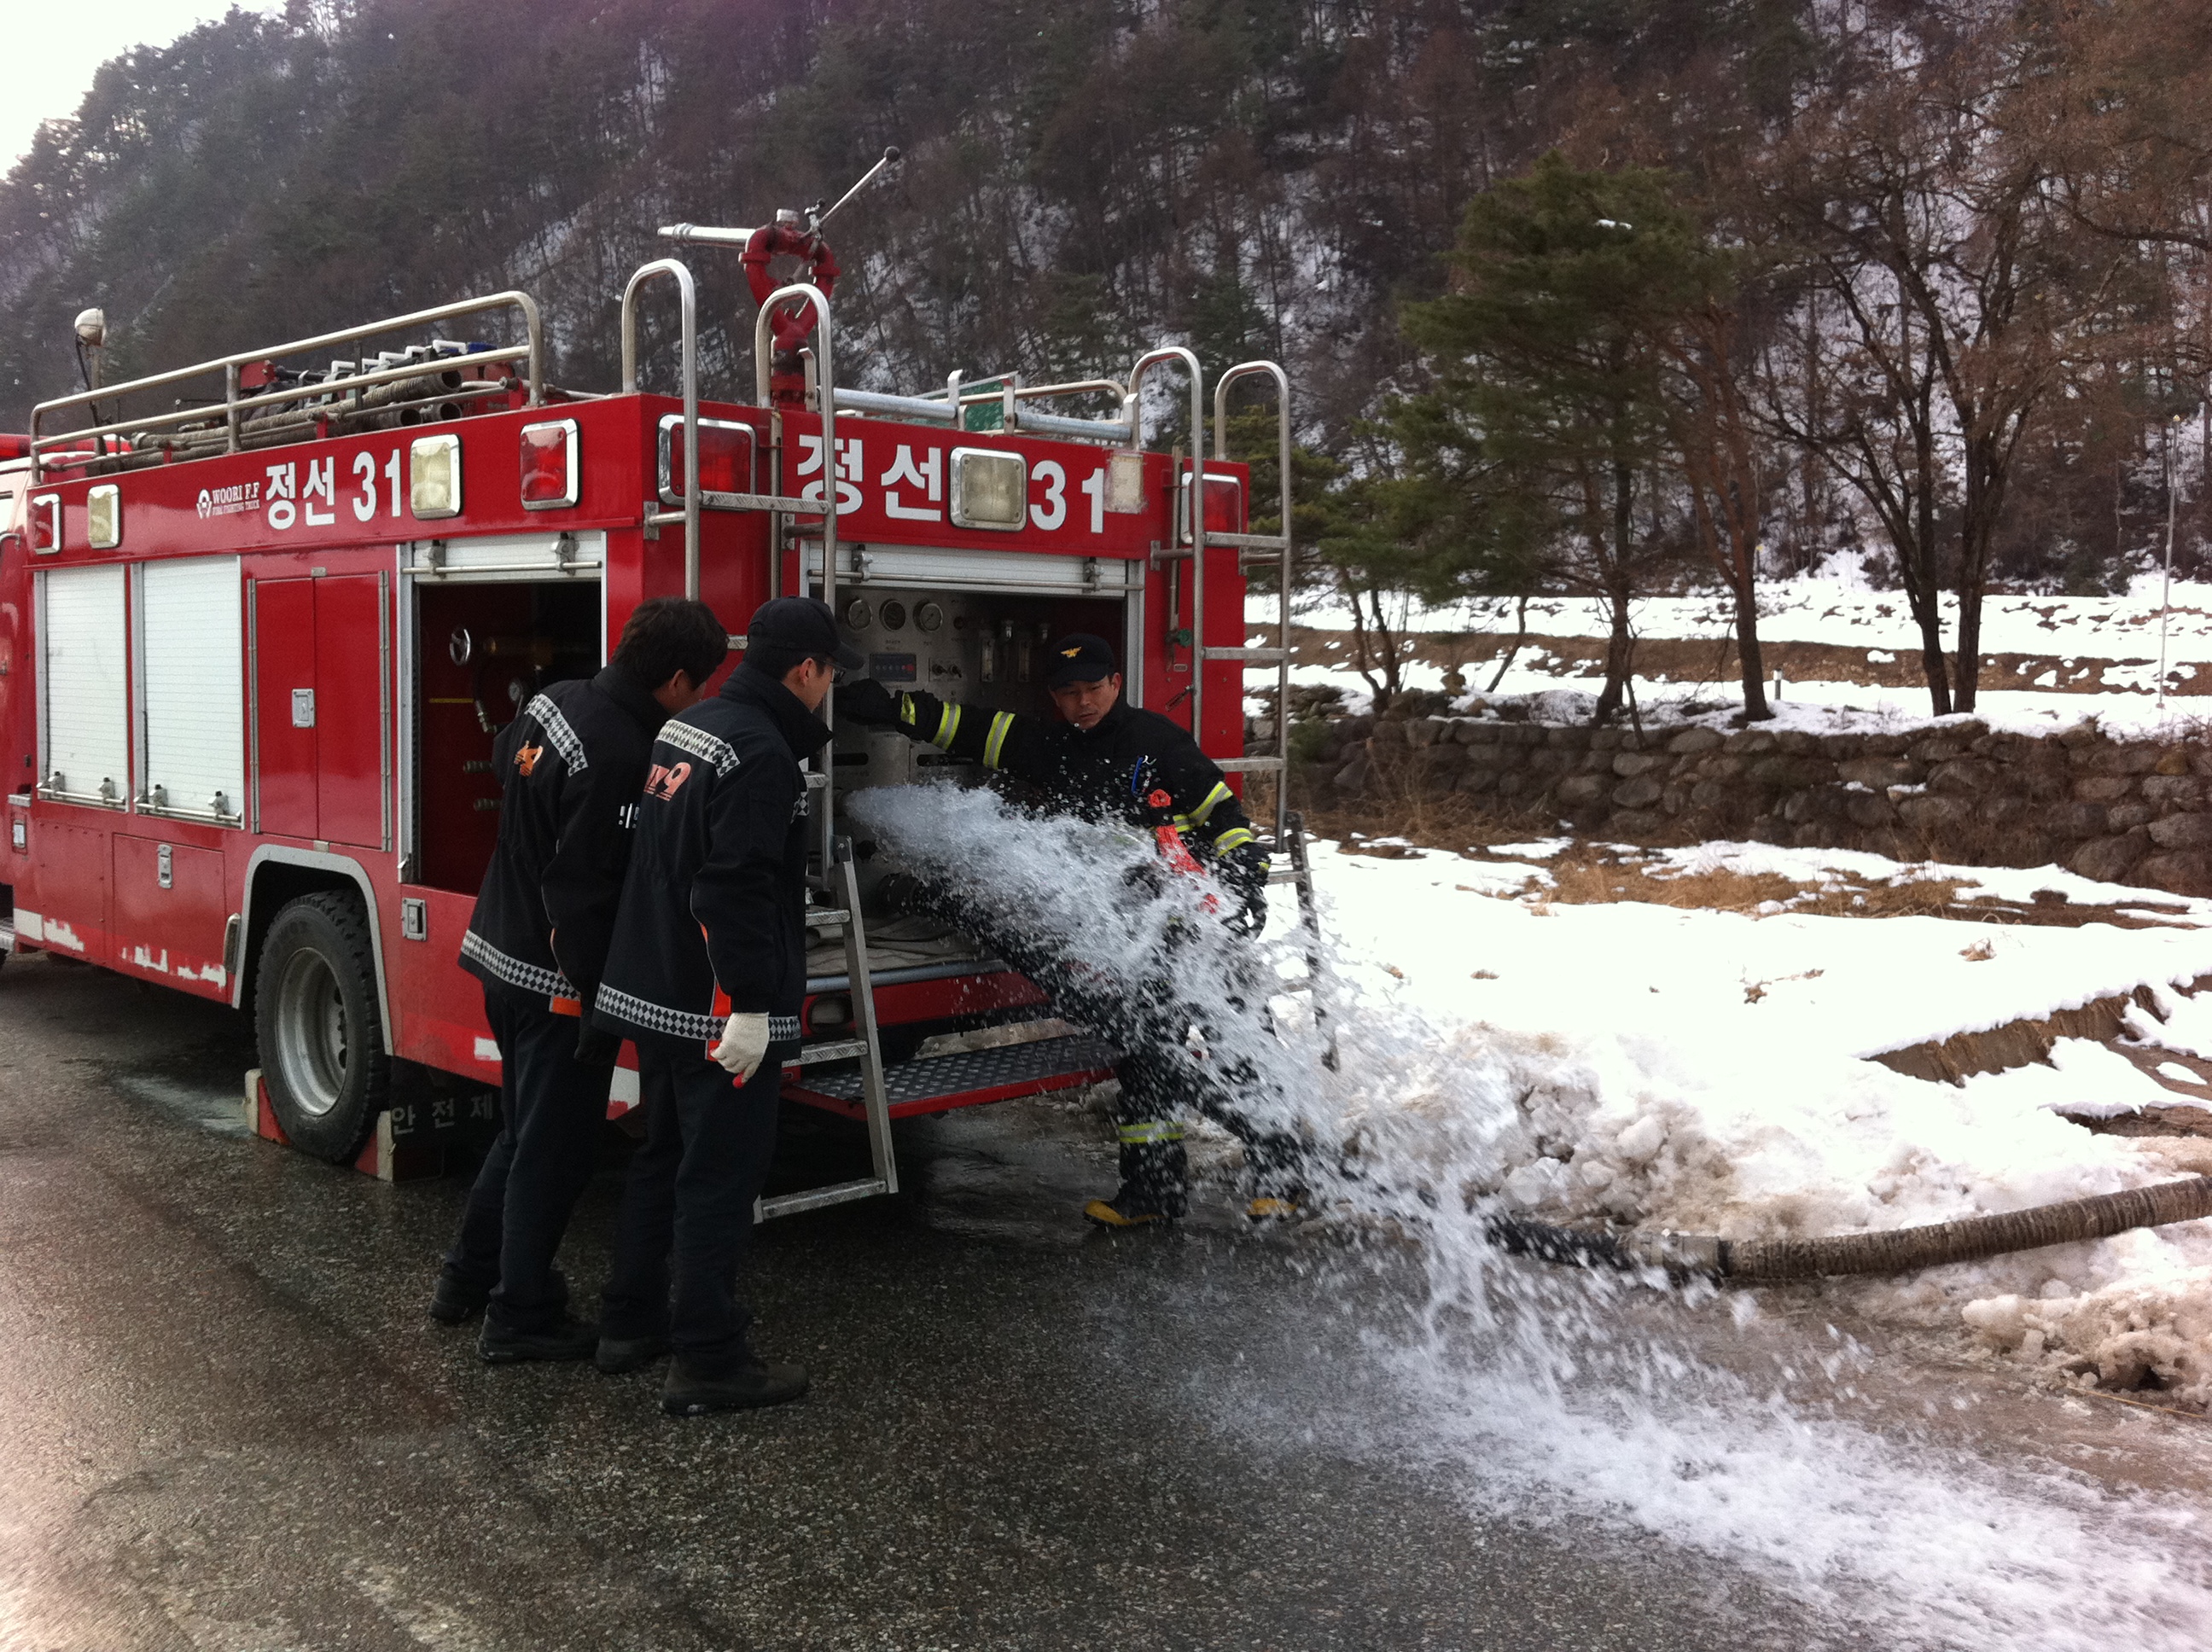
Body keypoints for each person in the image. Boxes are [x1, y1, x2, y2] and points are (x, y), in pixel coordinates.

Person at [840, 632, 1297, 1229]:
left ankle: (1282, 1180)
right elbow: (972, 728)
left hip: (1203, 928)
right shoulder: (1050, 748)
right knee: (1145, 1059)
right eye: (1069, 693)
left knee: (1240, 1050)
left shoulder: (1158, 741)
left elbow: (1226, 819)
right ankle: (1152, 1193)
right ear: (1054, 698)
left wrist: (1245, 886)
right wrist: (896, 709)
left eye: (1093, 689)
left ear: (1116, 684)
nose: (1084, 702)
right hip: (1135, 939)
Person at [431, 596, 730, 1362]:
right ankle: (519, 1316)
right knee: (556, 1152)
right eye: (699, 685)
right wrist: (600, 1006)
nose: (699, 699)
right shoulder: (625, 755)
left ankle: (466, 1279)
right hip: (555, 983)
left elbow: (505, 757)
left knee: (523, 1134)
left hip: (499, 952)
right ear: (674, 679)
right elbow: (581, 898)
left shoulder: (556, 699)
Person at [589, 596, 863, 1416]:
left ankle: (629, 1324)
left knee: (663, 1158)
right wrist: (747, 1004)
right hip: (716, 1010)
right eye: (830, 673)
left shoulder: (691, 724)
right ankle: (708, 1359)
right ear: (805, 670)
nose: (828, 688)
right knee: (719, 1178)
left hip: (658, 988)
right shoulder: (763, 753)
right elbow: (732, 886)